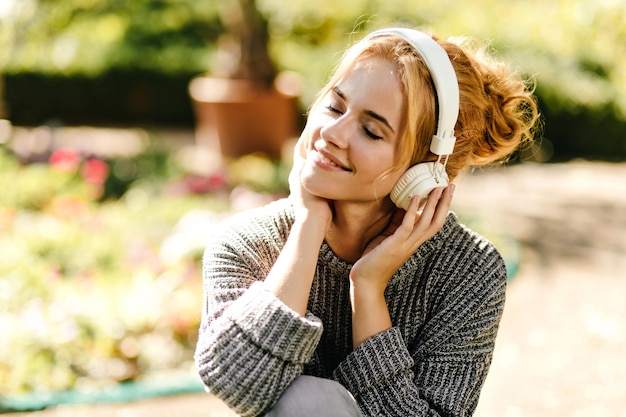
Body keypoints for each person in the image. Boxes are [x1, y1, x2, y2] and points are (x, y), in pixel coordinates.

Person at [195, 26, 539, 417]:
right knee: (308, 401)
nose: (333, 133)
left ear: (424, 172)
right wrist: (309, 225)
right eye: (335, 106)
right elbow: (237, 385)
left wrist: (369, 289)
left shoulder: (469, 271)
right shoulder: (245, 242)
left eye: (371, 130)